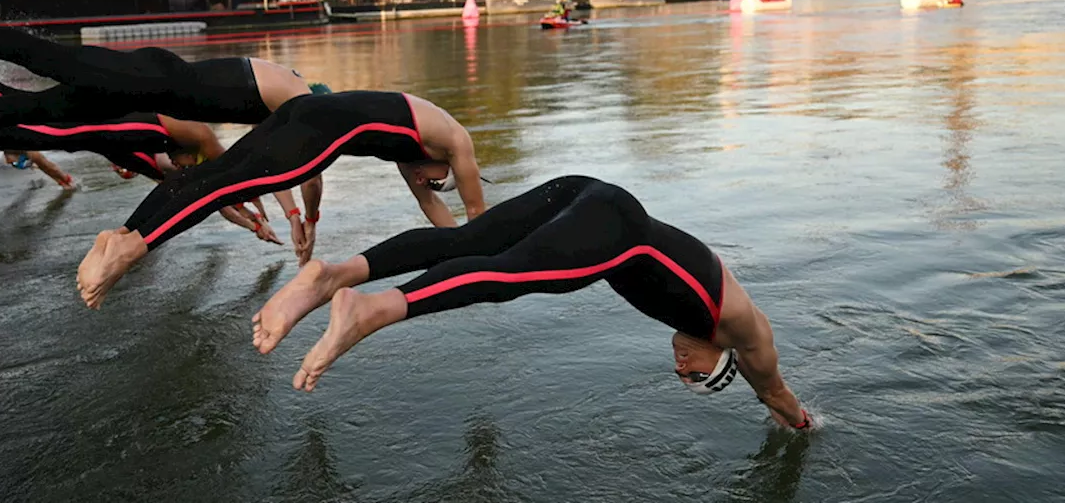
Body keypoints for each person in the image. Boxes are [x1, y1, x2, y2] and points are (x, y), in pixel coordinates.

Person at [250, 175, 813, 430]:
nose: (680, 367)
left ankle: (330, 277)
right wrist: (804, 424)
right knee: (509, 275)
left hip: (589, 195)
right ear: (723, 362)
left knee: (467, 241)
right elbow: (775, 389)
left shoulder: (701, 313)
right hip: (617, 229)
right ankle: (371, 308)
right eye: (696, 375)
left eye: (681, 375)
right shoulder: (744, 333)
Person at [76, 89, 487, 310]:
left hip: (305, 108)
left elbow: (430, 207)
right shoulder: (456, 141)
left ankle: (121, 234)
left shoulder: (412, 152)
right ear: (448, 168)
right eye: (433, 180)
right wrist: (482, 260)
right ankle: (132, 250)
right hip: (329, 122)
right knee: (229, 187)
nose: (422, 180)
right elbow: (476, 216)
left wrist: (453, 254)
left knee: (213, 173)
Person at [0, 23, 330, 199]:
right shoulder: (299, 98)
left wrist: (292, 215)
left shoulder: (283, 99)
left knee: (26, 111)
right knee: (37, 55)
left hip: (140, 90)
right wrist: (307, 216)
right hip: (149, 79)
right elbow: (304, 168)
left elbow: (269, 163)